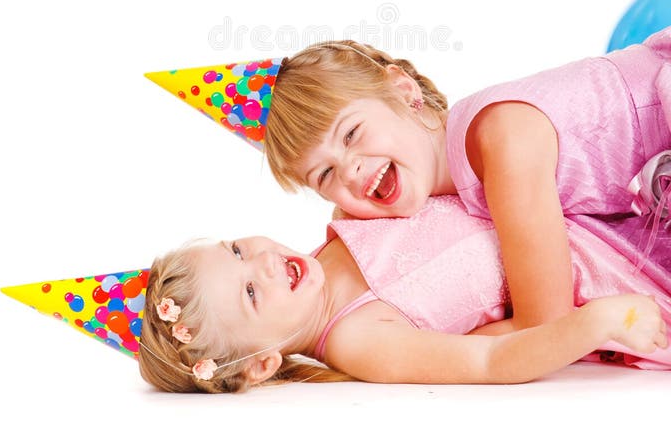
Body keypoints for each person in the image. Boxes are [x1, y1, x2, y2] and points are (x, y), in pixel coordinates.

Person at [263, 30, 671, 332]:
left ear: (404, 91)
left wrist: (419, 353)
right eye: (325, 174)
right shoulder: (457, 172)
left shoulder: (502, 140)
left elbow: (546, 324)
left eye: (351, 134)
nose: (350, 170)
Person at [138, 196, 670, 394]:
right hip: (593, 266)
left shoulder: (340, 225)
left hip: (557, 201)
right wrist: (592, 324)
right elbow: (489, 359)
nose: (260, 262)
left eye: (235, 250)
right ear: (261, 366)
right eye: (251, 292)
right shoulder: (360, 339)